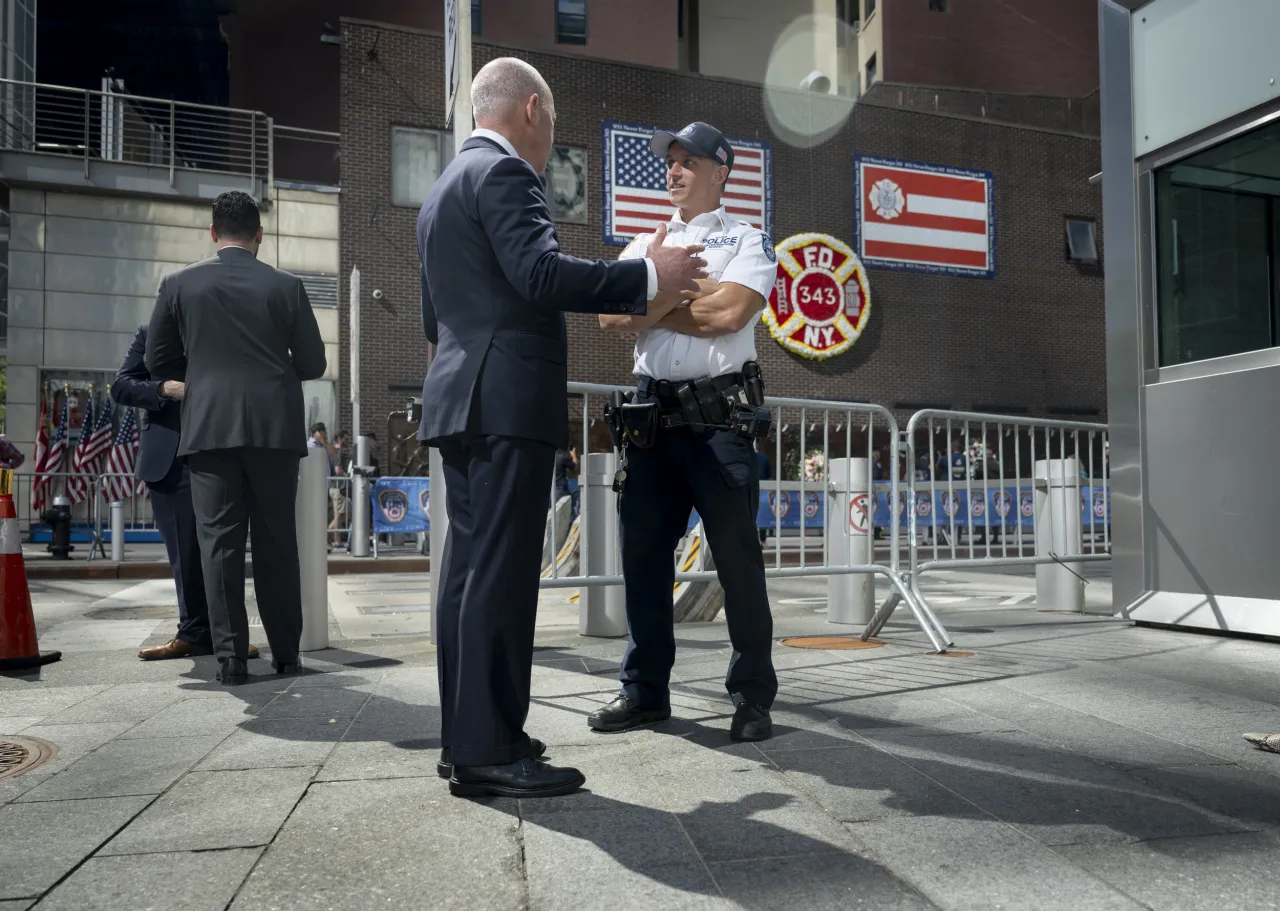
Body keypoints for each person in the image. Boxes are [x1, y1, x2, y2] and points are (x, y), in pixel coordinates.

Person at [417, 57, 707, 799]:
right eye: (554, 123)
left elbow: (433, 318)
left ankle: (474, 735)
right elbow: (541, 274)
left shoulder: (442, 189)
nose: (553, 137)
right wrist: (650, 277)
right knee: (502, 578)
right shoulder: (507, 176)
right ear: (533, 111)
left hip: (459, 397)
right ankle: (489, 748)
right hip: (506, 399)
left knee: (467, 576)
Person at [593, 120, 779, 743]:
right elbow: (608, 314)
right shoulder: (644, 242)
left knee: (737, 565)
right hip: (650, 421)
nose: (673, 172)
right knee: (643, 559)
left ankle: (753, 697)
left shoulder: (747, 239)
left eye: (688, 162)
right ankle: (645, 692)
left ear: (721, 171)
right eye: (669, 162)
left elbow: (731, 313)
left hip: (718, 420)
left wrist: (655, 302)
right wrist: (677, 297)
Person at [146, 190, 327, 686]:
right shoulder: (286, 286)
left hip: (208, 427)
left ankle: (230, 660)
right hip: (273, 429)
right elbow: (313, 363)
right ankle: (287, 655)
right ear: (259, 236)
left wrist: (205, 369)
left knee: (219, 546)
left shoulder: (179, 284)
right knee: (276, 543)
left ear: (212, 233)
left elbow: (157, 360)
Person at [111, 324, 261, 662]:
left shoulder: (223, 331)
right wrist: (163, 388)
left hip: (221, 451)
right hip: (170, 459)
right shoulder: (150, 334)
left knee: (223, 549)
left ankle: (228, 636)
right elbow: (121, 387)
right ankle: (194, 633)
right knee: (184, 553)